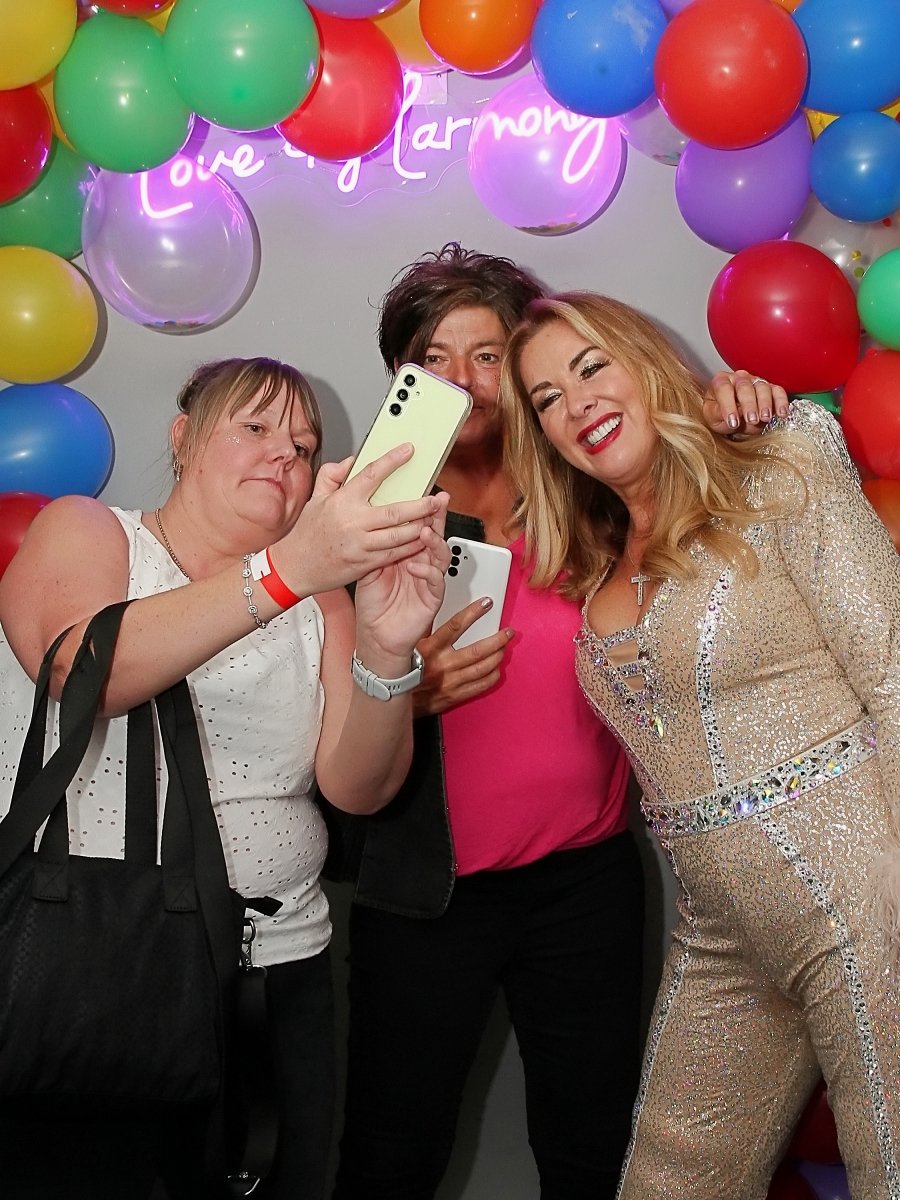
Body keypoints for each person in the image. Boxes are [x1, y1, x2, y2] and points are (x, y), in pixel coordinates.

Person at [327, 244, 788, 1200]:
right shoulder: (366, 519)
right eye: (432, 359)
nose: (462, 382)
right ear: (402, 377)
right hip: (426, 895)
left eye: (487, 355)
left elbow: (695, 465)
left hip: (585, 882)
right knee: (390, 1154)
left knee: (594, 1149)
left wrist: (733, 401)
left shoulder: (592, 489)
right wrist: (402, 691)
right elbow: (312, 726)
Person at [0, 356, 450, 1200]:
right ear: (184, 439)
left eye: (304, 444)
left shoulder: (324, 601)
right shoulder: (94, 531)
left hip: (274, 970)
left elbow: (360, 788)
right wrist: (285, 571)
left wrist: (390, 653)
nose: (285, 453)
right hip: (91, 961)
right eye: (256, 427)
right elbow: (82, 671)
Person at [500, 291, 900, 1199]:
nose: (578, 403)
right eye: (549, 399)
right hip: (720, 929)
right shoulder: (594, 560)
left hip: (863, 900)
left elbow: (892, 667)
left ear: (647, 363)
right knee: (665, 1184)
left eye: (592, 367)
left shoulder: (776, 462)